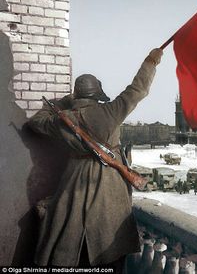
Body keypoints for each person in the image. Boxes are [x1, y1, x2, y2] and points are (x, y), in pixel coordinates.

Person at [28, 48, 164, 269]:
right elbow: (138, 89)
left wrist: (65, 103)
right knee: (109, 242)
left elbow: (36, 121)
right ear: (96, 95)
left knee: (69, 243)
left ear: (77, 95)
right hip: (109, 182)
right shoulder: (110, 112)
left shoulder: (61, 120)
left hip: (73, 182)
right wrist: (150, 62)